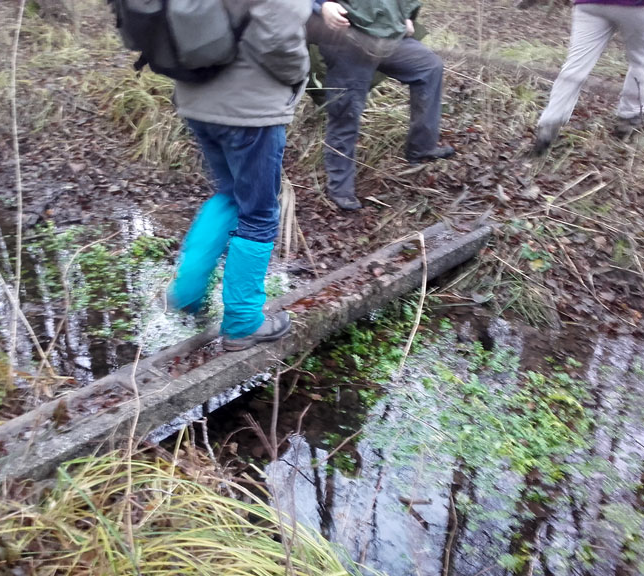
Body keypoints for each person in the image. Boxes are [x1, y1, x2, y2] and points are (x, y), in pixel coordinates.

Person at [166, 0, 311, 351]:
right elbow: (280, 34)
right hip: (250, 107)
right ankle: (244, 323)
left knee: (230, 194)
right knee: (259, 213)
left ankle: (186, 293)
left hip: (196, 98)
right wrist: (298, 76)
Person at [309, 0, 455, 211]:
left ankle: (422, 147)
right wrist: (321, 6)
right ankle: (340, 189)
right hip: (348, 39)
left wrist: (405, 16)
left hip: (389, 38)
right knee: (345, 112)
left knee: (429, 67)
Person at [533, 0, 644, 155]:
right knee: (643, 62)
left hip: (590, 4)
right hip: (638, 6)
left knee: (575, 65)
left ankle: (551, 121)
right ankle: (629, 118)